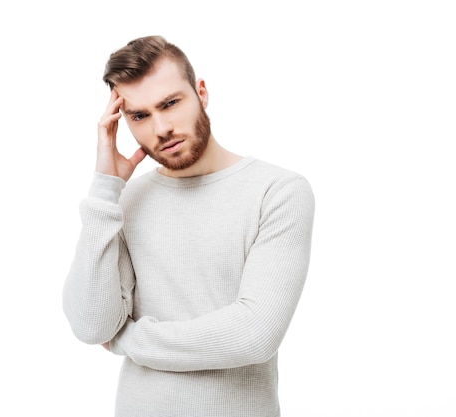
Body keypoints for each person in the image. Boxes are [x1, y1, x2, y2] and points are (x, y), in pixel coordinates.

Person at [63, 35, 315, 417]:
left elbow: (254, 334)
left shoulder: (277, 191)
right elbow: (90, 326)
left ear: (201, 92)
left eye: (170, 103)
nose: (161, 128)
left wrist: (127, 340)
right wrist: (105, 190)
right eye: (140, 115)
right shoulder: (125, 202)